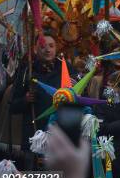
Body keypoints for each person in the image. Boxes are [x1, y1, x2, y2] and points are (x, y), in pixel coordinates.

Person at [10, 32, 77, 169]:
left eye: (51, 46)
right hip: (34, 139)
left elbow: (79, 98)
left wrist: (73, 92)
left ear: (56, 48)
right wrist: (26, 99)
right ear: (35, 49)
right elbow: (13, 106)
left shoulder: (65, 68)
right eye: (42, 46)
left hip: (60, 137)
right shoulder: (27, 70)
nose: (47, 50)